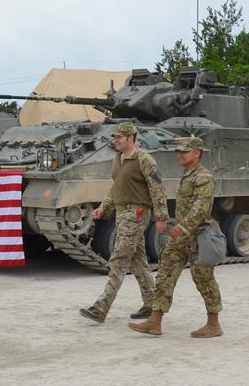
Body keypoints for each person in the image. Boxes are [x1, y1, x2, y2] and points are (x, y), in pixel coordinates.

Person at [128, 136, 223, 337]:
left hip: (197, 237)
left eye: (184, 151)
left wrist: (183, 228)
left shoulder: (203, 177)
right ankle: (155, 321)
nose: (180, 155)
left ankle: (214, 324)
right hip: (180, 238)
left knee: (204, 280)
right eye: (178, 151)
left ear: (197, 153)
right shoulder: (188, 174)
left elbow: (200, 209)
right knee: (165, 275)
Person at [79, 121, 168, 323]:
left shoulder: (144, 159)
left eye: (118, 137)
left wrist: (161, 217)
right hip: (121, 213)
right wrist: (104, 206)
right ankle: (152, 304)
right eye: (114, 137)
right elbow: (116, 186)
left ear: (130, 138)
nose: (115, 140)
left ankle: (101, 308)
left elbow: (157, 189)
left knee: (118, 260)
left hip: (136, 213)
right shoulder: (118, 159)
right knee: (138, 261)